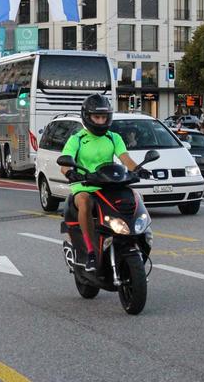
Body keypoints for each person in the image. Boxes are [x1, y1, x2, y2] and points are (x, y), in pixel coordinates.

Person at [60, 94, 152, 272]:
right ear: (87, 117)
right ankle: (90, 251)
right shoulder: (77, 138)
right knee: (85, 202)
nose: (101, 121)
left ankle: (141, 237)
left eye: (104, 117)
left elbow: (125, 158)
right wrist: (71, 173)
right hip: (84, 184)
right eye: (97, 117)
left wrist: (138, 169)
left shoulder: (113, 137)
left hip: (109, 183)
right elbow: (65, 162)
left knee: (134, 196)